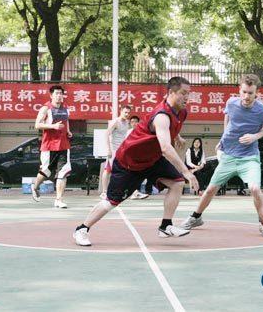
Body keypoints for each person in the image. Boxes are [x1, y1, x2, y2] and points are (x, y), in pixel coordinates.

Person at [73, 77, 199, 246]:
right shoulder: (161, 115)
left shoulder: (181, 112)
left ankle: (166, 225)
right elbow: (166, 148)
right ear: (171, 93)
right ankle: (82, 229)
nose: (187, 97)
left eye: (188, 94)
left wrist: (178, 137)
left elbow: (167, 131)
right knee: (111, 202)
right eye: (183, 93)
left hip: (151, 159)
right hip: (129, 163)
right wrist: (186, 172)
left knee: (177, 184)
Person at [179, 74, 263, 238]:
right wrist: (223, 138)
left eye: (250, 93)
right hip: (229, 156)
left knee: (254, 188)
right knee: (210, 190)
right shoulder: (231, 103)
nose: (246, 96)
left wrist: (255, 136)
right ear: (239, 90)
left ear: (257, 93)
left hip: (249, 157)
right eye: (244, 92)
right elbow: (227, 117)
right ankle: (196, 217)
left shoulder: (262, 110)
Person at [30, 85, 73, 209]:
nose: (59, 96)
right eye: (56, 93)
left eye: (61, 93)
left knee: (63, 172)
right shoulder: (45, 109)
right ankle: (36, 186)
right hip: (49, 145)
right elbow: (37, 125)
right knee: (46, 172)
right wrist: (53, 127)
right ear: (51, 95)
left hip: (64, 145)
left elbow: (66, 121)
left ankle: (58, 200)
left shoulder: (66, 109)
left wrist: (68, 131)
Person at [99, 105, 132, 199]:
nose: (127, 114)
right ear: (121, 111)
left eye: (128, 113)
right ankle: (104, 192)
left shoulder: (127, 122)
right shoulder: (115, 122)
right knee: (108, 170)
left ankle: (122, 190)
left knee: (124, 170)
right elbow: (106, 134)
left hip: (122, 150)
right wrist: (108, 149)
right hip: (113, 149)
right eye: (125, 112)